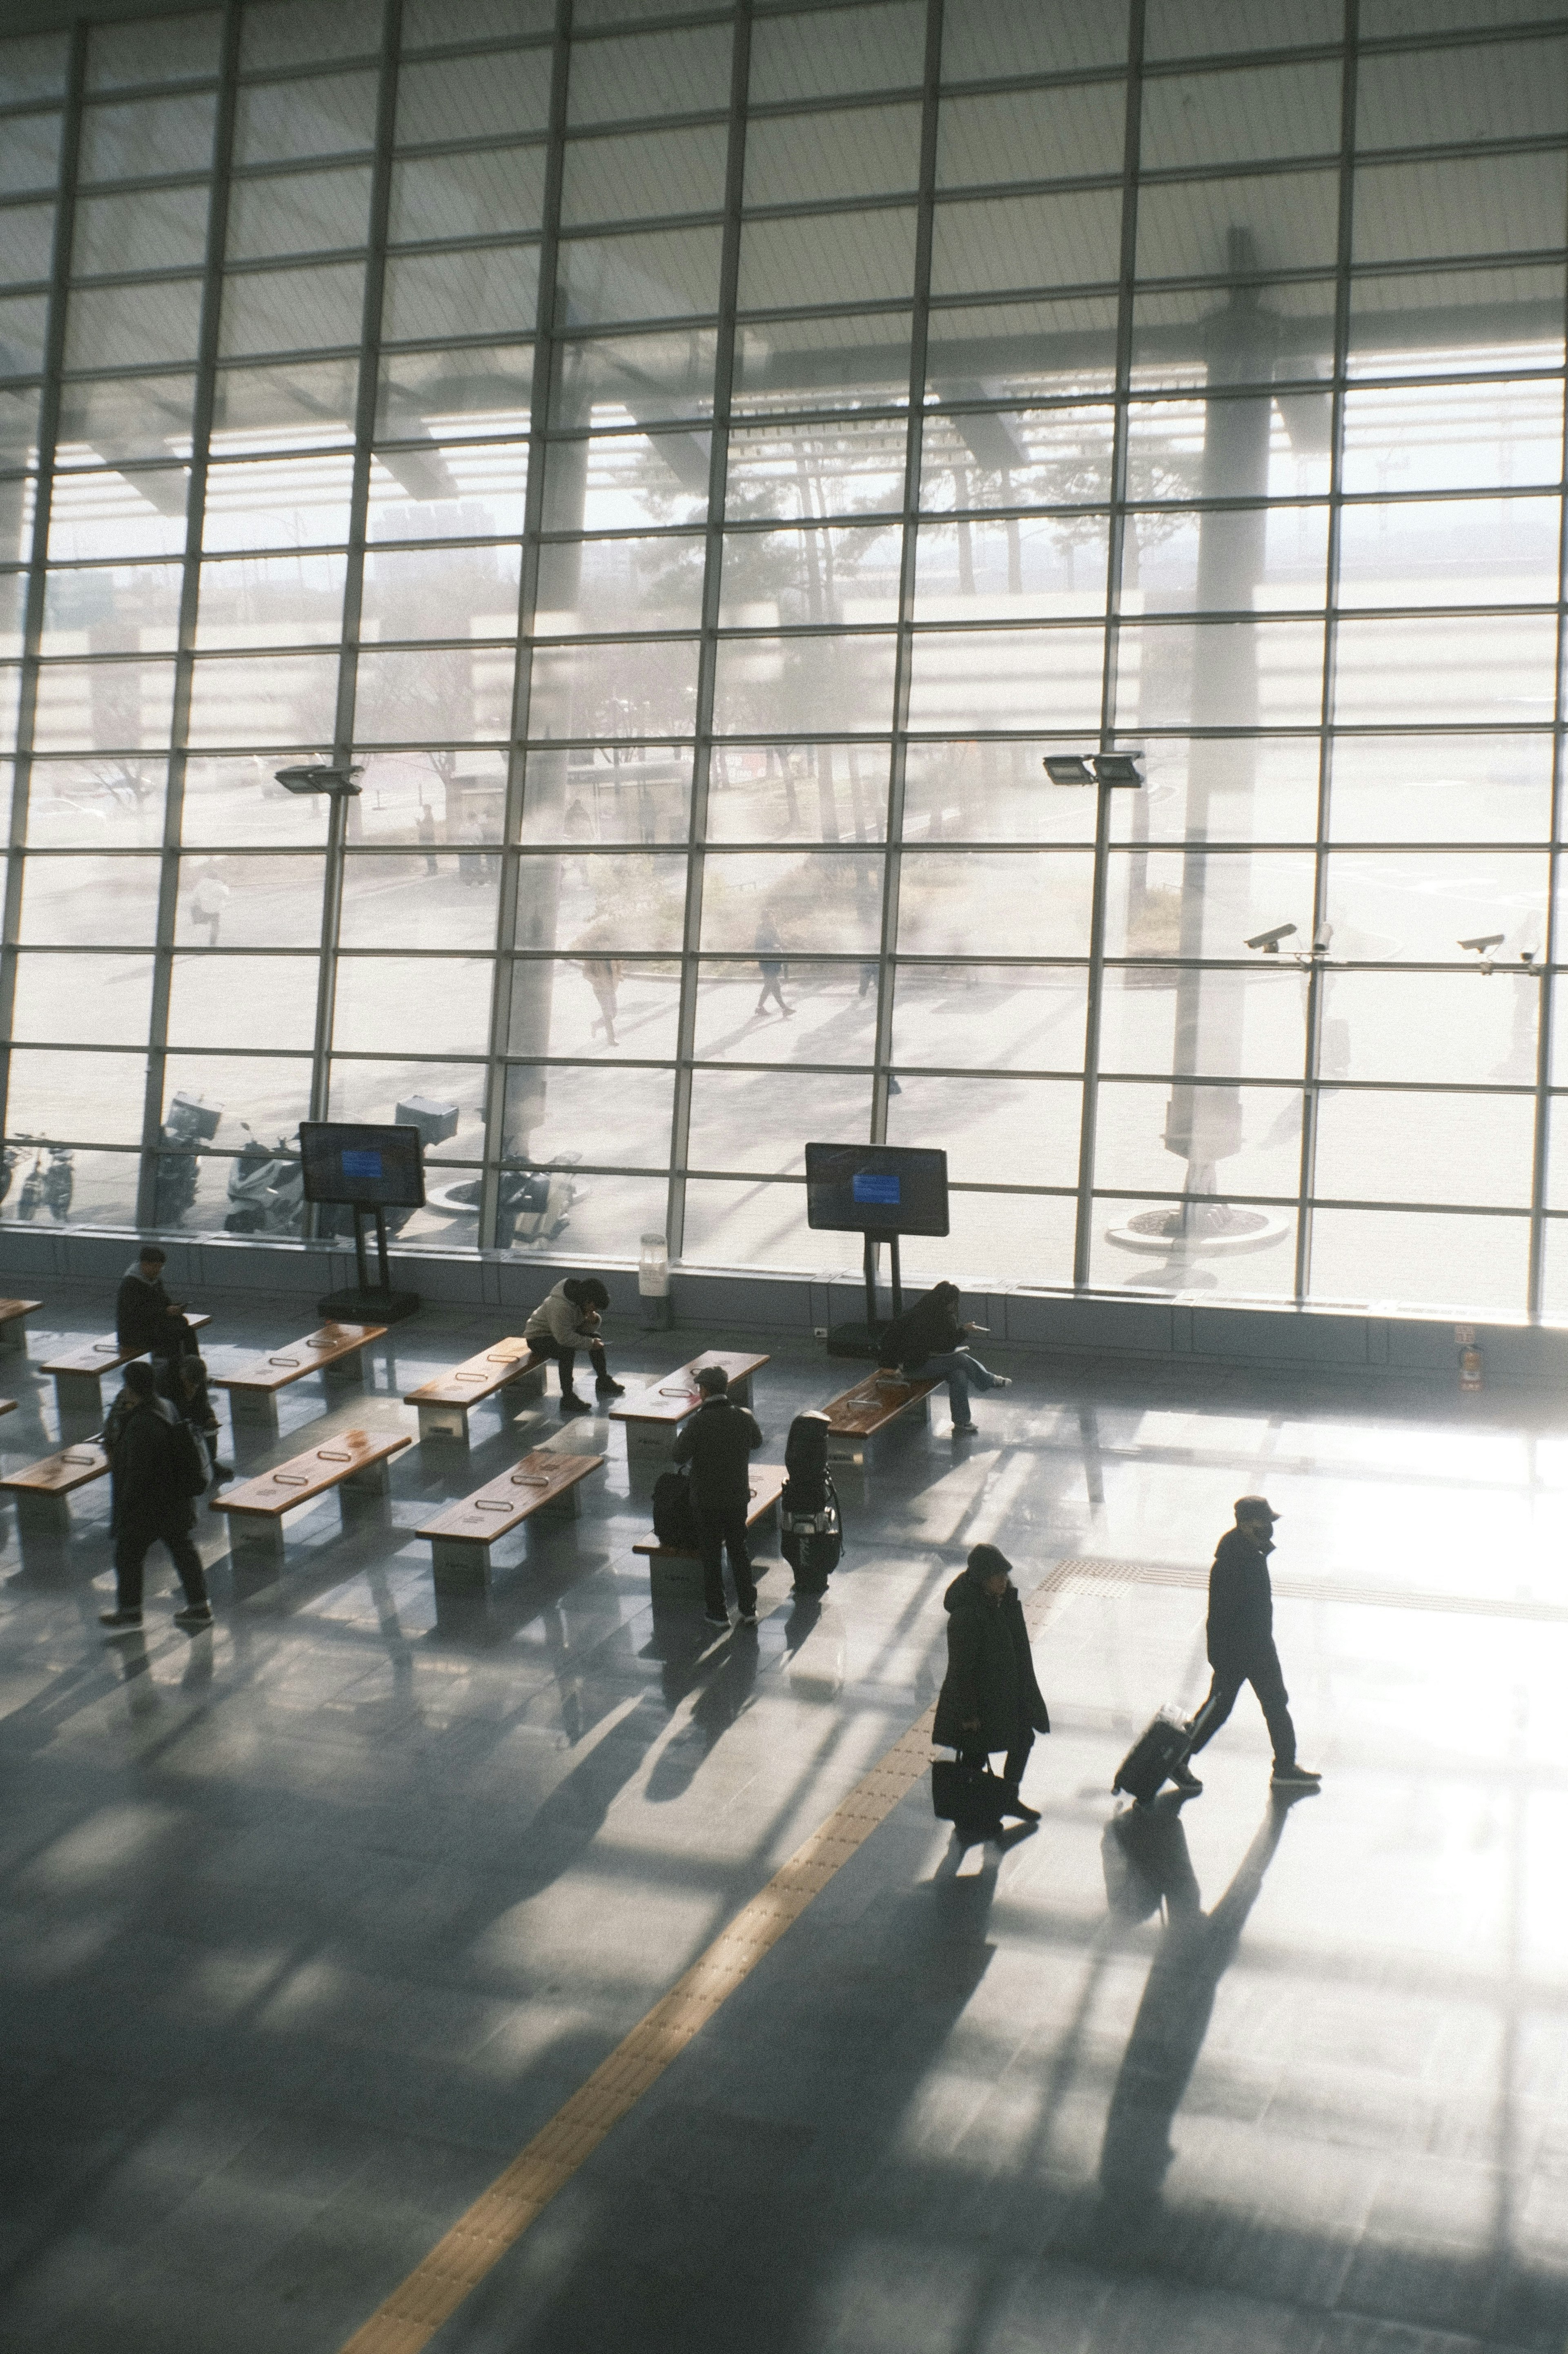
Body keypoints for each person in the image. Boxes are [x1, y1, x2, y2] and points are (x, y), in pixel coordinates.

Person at [1179, 1496, 1321, 1795]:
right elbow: (1221, 1614)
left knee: (1274, 1702)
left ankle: (1285, 1765)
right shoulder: (1233, 1561)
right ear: (1245, 1523)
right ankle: (1177, 1757)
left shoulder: (1248, 1550)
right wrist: (1222, 1657)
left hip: (1257, 1646)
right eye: (1264, 1521)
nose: (1269, 1527)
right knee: (1220, 1706)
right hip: (1238, 1651)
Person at [932, 1543, 1049, 1823]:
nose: (1005, 1581)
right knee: (974, 1758)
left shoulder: (1002, 1602)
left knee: (1023, 1738)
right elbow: (962, 1670)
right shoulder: (966, 1615)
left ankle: (1006, 1798)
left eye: (1005, 1575)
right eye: (999, 1576)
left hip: (1005, 1696)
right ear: (983, 1578)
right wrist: (968, 1714)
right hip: (980, 1703)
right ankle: (971, 1814)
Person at [98, 1361, 212, 1635]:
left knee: (127, 1554)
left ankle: (130, 1612)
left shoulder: (141, 1424)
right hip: (174, 1499)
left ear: (131, 1388)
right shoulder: (166, 1405)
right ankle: (199, 1607)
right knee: (183, 1550)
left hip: (150, 1504)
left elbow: (137, 1471)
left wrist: (127, 1504)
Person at [672, 1363, 764, 1628]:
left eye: (700, 1387)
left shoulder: (698, 1422)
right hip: (737, 1497)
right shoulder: (743, 1416)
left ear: (706, 1390)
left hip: (707, 1500)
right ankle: (749, 1609)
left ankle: (718, 1612)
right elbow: (757, 1442)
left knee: (712, 1554)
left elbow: (678, 1455)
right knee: (739, 1550)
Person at [878, 1279, 1011, 1436]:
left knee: (959, 1374)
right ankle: (988, 1380)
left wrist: (961, 1329)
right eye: (952, 1304)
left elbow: (942, 1345)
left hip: (923, 1363)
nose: (953, 1308)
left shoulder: (930, 1314)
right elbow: (891, 1343)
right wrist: (889, 1367)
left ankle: (962, 1421)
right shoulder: (920, 1319)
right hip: (910, 1369)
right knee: (959, 1360)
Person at [522, 1275, 626, 1415]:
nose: (596, 1310)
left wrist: (593, 1321)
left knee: (596, 1337)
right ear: (588, 1300)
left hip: (556, 1334)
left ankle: (603, 1380)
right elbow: (564, 1339)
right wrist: (590, 1344)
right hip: (538, 1338)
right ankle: (568, 1397)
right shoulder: (561, 1306)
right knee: (566, 1351)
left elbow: (581, 1330)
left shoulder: (580, 1301)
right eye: (595, 1307)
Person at [779, 1409, 841, 1597]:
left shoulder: (798, 1441)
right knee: (816, 1536)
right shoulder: (818, 1442)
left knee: (798, 1537)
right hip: (814, 1497)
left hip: (798, 1496)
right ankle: (816, 1580)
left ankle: (802, 1579)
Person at [115, 1244, 200, 1363]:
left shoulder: (154, 1280)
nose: (158, 1271)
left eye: (161, 1267)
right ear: (144, 1264)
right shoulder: (130, 1284)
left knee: (186, 1329)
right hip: (134, 1333)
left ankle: (193, 1368)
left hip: (151, 1326)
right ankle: (174, 1371)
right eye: (155, 1267)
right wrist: (166, 1311)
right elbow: (137, 1314)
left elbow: (163, 1302)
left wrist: (175, 1308)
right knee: (173, 1334)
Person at [753, 914, 792, 1018]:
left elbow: (776, 942)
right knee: (775, 985)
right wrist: (777, 946)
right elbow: (767, 944)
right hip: (767, 961)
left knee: (770, 985)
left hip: (772, 961)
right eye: (770, 917)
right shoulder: (764, 929)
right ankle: (785, 1008)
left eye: (772, 917)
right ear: (765, 919)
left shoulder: (770, 928)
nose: (773, 919)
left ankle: (760, 1007)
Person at [417, 804, 439, 877]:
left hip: (427, 839)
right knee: (431, 855)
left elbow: (426, 829)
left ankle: (432, 870)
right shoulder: (429, 817)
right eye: (424, 810)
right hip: (429, 839)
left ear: (428, 810)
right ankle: (434, 870)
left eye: (425, 810)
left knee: (429, 855)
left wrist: (419, 823)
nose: (424, 811)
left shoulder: (429, 818)